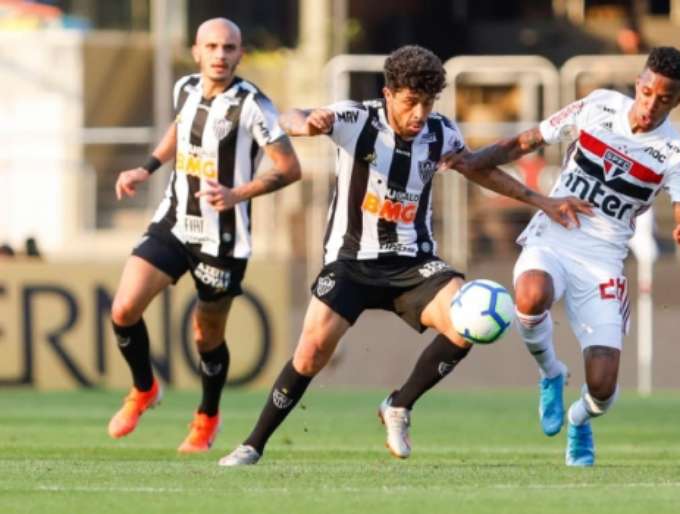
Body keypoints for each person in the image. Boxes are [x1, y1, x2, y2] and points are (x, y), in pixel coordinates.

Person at [218, 44, 592, 466]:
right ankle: (253, 444)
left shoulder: (442, 133)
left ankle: (399, 405)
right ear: (388, 93)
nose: (419, 114)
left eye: (428, 103)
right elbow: (290, 116)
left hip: (414, 261)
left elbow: (479, 170)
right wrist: (308, 121)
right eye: (411, 102)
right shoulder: (355, 118)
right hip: (351, 260)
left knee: (469, 321)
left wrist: (541, 200)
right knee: (310, 353)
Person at [442, 47, 680, 467]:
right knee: (529, 295)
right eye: (648, 92)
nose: (652, 105)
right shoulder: (597, 106)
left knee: (602, 388)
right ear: (639, 83)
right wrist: (472, 159)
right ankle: (550, 372)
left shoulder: (676, 155)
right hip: (555, 234)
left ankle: (579, 419)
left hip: (603, 260)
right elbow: (526, 141)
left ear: (679, 101)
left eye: (665, 99)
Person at [108, 17, 301, 453]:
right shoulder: (185, 89)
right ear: (196, 52)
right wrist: (146, 167)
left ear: (240, 54)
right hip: (175, 223)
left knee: (206, 336)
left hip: (223, 241)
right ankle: (143, 390)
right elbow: (180, 129)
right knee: (123, 308)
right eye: (211, 47)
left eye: (229, 48)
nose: (220, 55)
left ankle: (207, 416)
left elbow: (290, 168)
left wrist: (238, 193)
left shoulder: (254, 105)